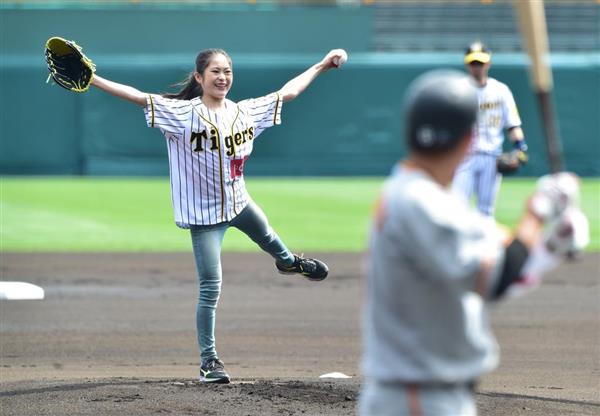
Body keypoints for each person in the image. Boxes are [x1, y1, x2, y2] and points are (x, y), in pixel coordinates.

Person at [90, 48, 349, 384]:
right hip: (203, 217)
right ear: (199, 77)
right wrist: (92, 78)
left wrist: (321, 66)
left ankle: (287, 263)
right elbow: (138, 97)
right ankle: (209, 362)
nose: (222, 77)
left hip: (239, 203)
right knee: (211, 288)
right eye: (215, 71)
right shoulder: (182, 114)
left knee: (269, 237)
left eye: (227, 71)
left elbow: (290, 92)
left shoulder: (245, 112)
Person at [358, 69, 588, 416]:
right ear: (469, 140)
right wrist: (539, 210)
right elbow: (501, 274)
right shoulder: (422, 202)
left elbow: (494, 272)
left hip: (421, 396)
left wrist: (551, 246)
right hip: (419, 400)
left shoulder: (418, 194)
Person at [452, 41, 529, 217]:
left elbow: (513, 124)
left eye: (480, 62)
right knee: (456, 207)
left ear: (488, 63)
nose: (477, 67)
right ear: (467, 64)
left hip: (491, 157)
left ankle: (484, 245)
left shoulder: (501, 91)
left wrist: (521, 148)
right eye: (473, 63)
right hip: (464, 157)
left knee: (485, 211)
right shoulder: (458, 90)